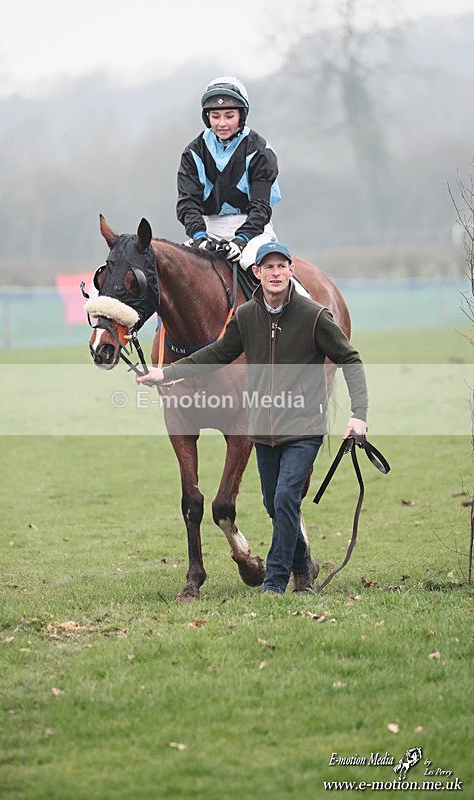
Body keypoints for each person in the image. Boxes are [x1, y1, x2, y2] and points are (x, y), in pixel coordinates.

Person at [136, 242, 368, 595]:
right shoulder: (245, 318)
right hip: (263, 429)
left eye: (281, 266)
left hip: (302, 425)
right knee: (273, 501)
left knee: (285, 498)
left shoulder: (314, 316)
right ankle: (304, 570)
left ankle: (274, 583)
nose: (275, 273)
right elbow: (215, 353)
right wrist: (164, 375)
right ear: (256, 273)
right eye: (268, 268)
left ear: (291, 270)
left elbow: (350, 359)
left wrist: (358, 416)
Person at [177, 76, 281, 270]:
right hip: (207, 229)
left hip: (253, 230)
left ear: (242, 115)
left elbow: (261, 207)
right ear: (207, 117)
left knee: (269, 273)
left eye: (229, 115)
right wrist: (199, 236)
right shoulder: (192, 152)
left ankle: (295, 299)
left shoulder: (260, 151)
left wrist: (242, 240)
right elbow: (187, 202)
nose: (222, 123)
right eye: (215, 116)